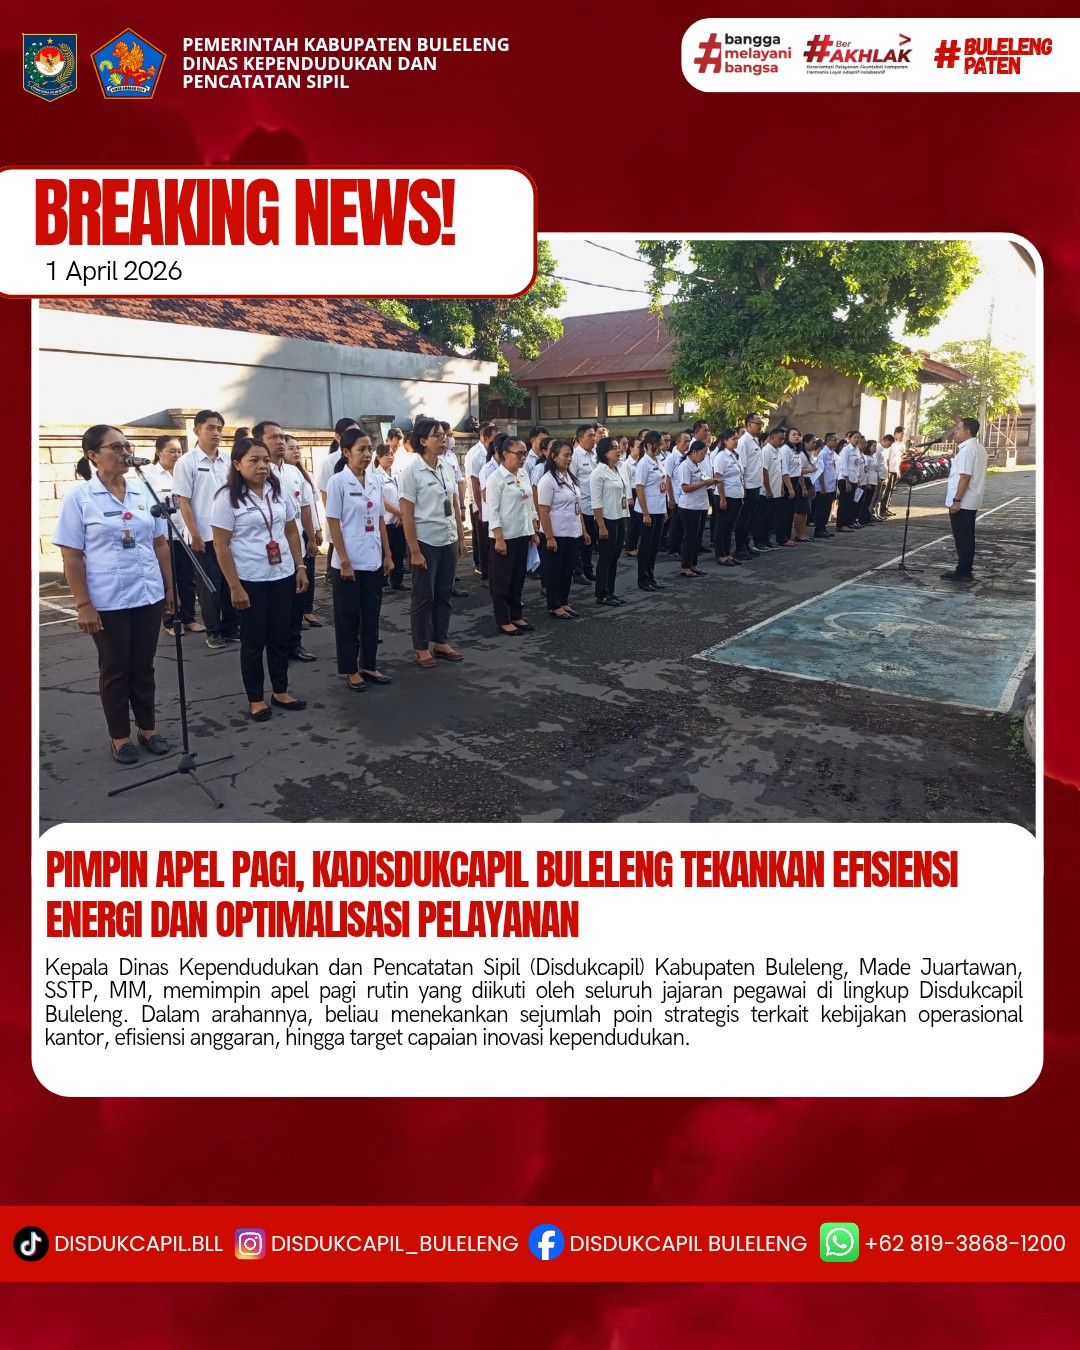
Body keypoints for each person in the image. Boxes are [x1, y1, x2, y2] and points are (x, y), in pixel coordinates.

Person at [54, 425, 174, 764]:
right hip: (107, 600)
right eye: (116, 447)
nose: (125, 453)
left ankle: (148, 729)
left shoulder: (143, 490)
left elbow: (160, 544)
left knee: (144, 667)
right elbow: (71, 557)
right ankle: (120, 736)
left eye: (127, 446)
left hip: (147, 594)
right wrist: (83, 604)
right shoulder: (80, 498)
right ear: (93, 455)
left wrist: (169, 588)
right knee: (116, 669)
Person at [211, 438, 309, 721]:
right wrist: (235, 586)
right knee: (253, 641)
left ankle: (280, 691)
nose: (262, 466)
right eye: (253, 460)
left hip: (282, 574)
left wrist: (300, 566)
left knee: (280, 637)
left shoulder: (277, 491)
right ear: (237, 464)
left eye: (265, 460)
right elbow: (221, 545)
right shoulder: (227, 498)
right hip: (250, 578)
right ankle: (256, 698)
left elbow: (291, 531)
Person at [325, 430, 394, 690]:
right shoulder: (338, 482)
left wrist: (388, 554)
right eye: (360, 449)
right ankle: (350, 669)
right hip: (349, 563)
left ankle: (369, 664)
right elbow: (333, 522)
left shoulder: (375, 480)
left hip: (373, 559)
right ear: (346, 452)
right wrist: (344, 561)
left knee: (371, 615)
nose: (366, 454)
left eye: (369, 449)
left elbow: (379, 519)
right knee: (348, 617)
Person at [397, 418, 466, 667]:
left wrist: (460, 536)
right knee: (424, 596)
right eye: (437, 435)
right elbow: (407, 514)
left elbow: (454, 503)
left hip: (447, 538)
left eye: (444, 435)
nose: (443, 439)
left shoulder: (447, 466)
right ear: (423, 441)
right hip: (425, 541)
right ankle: (421, 647)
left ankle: (441, 641)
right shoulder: (411, 471)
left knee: (444, 593)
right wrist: (414, 551)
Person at [172, 409, 239, 649]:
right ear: (197, 430)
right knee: (209, 586)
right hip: (203, 535)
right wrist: (195, 535)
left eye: (219, 428)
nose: (216, 433)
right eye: (210, 428)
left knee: (231, 580)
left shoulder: (229, 460)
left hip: (229, 534)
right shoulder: (187, 462)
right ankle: (213, 630)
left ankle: (231, 626)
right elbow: (184, 501)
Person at [255, 420, 319, 663]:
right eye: (273, 438)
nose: (280, 442)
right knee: (274, 603)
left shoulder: (293, 472)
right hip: (267, 550)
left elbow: (305, 507)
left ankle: (294, 642)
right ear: (260, 442)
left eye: (282, 437)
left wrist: (310, 538)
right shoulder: (257, 474)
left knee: (297, 596)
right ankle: (274, 647)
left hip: (295, 543)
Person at [144, 435, 201, 635]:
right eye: (171, 451)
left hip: (184, 534)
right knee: (168, 579)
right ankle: (170, 621)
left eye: (179, 451)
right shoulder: (148, 475)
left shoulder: (184, 472)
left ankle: (188, 618)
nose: (176, 455)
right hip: (163, 536)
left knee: (187, 579)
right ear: (159, 452)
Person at [487, 437, 540, 635]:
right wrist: (499, 538)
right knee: (502, 580)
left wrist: (533, 531)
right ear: (505, 454)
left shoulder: (523, 474)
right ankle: (503, 619)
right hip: (504, 536)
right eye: (519, 454)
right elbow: (493, 511)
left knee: (518, 577)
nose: (523, 457)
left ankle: (516, 615)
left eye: (525, 453)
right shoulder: (496, 478)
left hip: (522, 533)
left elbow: (530, 504)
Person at [536, 441, 584, 619]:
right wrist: (549, 537)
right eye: (565, 455)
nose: (569, 458)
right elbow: (543, 511)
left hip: (571, 531)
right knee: (554, 571)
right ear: (554, 457)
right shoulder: (548, 480)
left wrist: (583, 529)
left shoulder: (570, 477)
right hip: (555, 533)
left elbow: (577, 506)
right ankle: (554, 605)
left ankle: (564, 601)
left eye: (570, 455)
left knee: (567, 570)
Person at [284, 435, 324, 630]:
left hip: (306, 529)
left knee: (308, 569)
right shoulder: (279, 474)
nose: (296, 451)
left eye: (298, 447)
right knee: (295, 571)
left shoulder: (301, 473)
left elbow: (310, 506)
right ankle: (296, 614)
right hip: (291, 531)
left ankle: (307, 609)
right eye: (291, 448)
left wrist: (316, 530)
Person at [941, 416, 987, 583]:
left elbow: (965, 477)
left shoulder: (968, 450)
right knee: (966, 537)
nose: (955, 432)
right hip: (970, 500)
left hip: (963, 502)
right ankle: (964, 569)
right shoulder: (978, 448)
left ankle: (963, 571)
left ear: (967, 432)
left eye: (958, 429)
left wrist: (957, 500)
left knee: (963, 538)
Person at [590, 437, 630, 604]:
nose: (618, 450)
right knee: (605, 558)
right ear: (604, 452)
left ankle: (610, 591)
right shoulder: (598, 473)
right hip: (607, 520)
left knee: (614, 558)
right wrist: (601, 525)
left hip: (620, 517)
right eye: (613, 448)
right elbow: (596, 502)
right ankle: (602, 594)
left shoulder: (617, 469)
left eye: (617, 447)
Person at [674, 439, 715, 577]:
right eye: (702, 453)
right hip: (689, 507)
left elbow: (703, 480)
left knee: (697, 538)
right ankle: (685, 566)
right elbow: (685, 488)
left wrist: (711, 482)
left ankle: (693, 564)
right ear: (694, 452)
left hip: (701, 505)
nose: (704, 456)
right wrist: (705, 483)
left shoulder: (698, 465)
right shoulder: (685, 465)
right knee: (690, 537)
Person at [633, 431, 667, 591]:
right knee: (646, 546)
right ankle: (643, 578)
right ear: (648, 445)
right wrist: (645, 513)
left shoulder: (658, 460)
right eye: (658, 444)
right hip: (646, 511)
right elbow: (639, 489)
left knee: (654, 546)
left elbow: (662, 486)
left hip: (658, 508)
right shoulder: (643, 463)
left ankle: (651, 576)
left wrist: (664, 510)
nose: (660, 447)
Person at [465, 422, 497, 580]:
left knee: (489, 537)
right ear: (485, 437)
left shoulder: (494, 454)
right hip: (479, 503)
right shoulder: (476, 454)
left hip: (492, 504)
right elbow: (475, 484)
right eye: (494, 439)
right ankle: (484, 571)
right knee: (482, 538)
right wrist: (480, 508)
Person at [374, 443, 406, 590]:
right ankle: (383, 581)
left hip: (399, 519)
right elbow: (380, 499)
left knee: (399, 551)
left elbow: (403, 494)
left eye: (392, 454)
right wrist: (398, 512)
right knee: (385, 550)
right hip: (386, 520)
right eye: (386, 454)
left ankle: (397, 581)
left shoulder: (397, 473)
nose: (390, 457)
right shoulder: (375, 476)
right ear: (379, 457)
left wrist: (401, 514)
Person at [570, 424, 599, 582]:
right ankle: (578, 571)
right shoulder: (575, 456)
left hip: (595, 504)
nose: (593, 439)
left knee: (591, 540)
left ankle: (588, 569)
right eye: (590, 436)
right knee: (582, 540)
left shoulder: (594, 455)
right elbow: (572, 482)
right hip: (583, 505)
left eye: (594, 435)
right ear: (580, 438)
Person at [733, 414, 764, 560]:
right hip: (748, 485)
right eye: (757, 423)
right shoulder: (744, 441)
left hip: (756, 484)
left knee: (751, 518)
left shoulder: (755, 440)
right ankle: (740, 547)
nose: (760, 426)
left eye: (761, 423)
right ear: (749, 424)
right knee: (743, 519)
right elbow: (742, 466)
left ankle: (746, 545)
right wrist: (743, 486)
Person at [710, 430, 742, 566]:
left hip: (736, 494)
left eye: (737, 439)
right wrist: (723, 498)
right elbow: (719, 478)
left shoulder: (734, 455)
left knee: (729, 527)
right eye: (733, 439)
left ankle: (728, 553)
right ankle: (720, 555)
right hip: (725, 495)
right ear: (725, 441)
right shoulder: (721, 456)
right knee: (722, 526)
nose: (736, 441)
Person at [813, 433, 838, 538]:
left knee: (827, 509)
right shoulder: (823, 453)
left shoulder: (832, 453)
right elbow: (820, 471)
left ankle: (823, 528)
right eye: (834, 440)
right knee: (822, 509)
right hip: (824, 487)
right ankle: (818, 529)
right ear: (828, 441)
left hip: (831, 486)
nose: (836, 442)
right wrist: (822, 487)